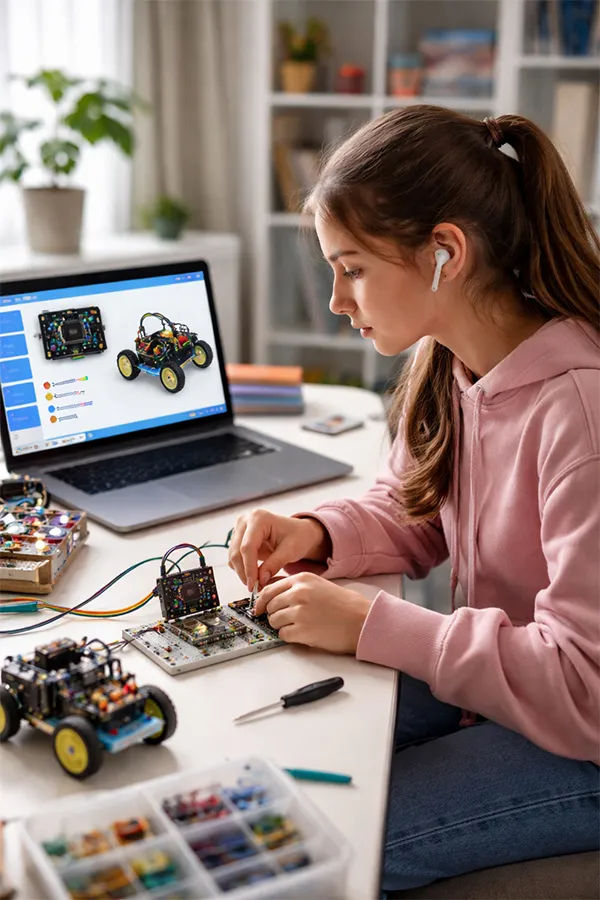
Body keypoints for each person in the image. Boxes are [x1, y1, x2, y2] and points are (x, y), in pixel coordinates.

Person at [228, 106, 600, 891]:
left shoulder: (580, 414)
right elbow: (412, 506)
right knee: (280, 760)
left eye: (353, 268)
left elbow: (581, 685)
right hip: (510, 693)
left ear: (445, 254)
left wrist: (372, 622)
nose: (336, 299)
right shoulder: (452, 364)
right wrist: (314, 532)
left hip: (581, 735)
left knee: (324, 847)